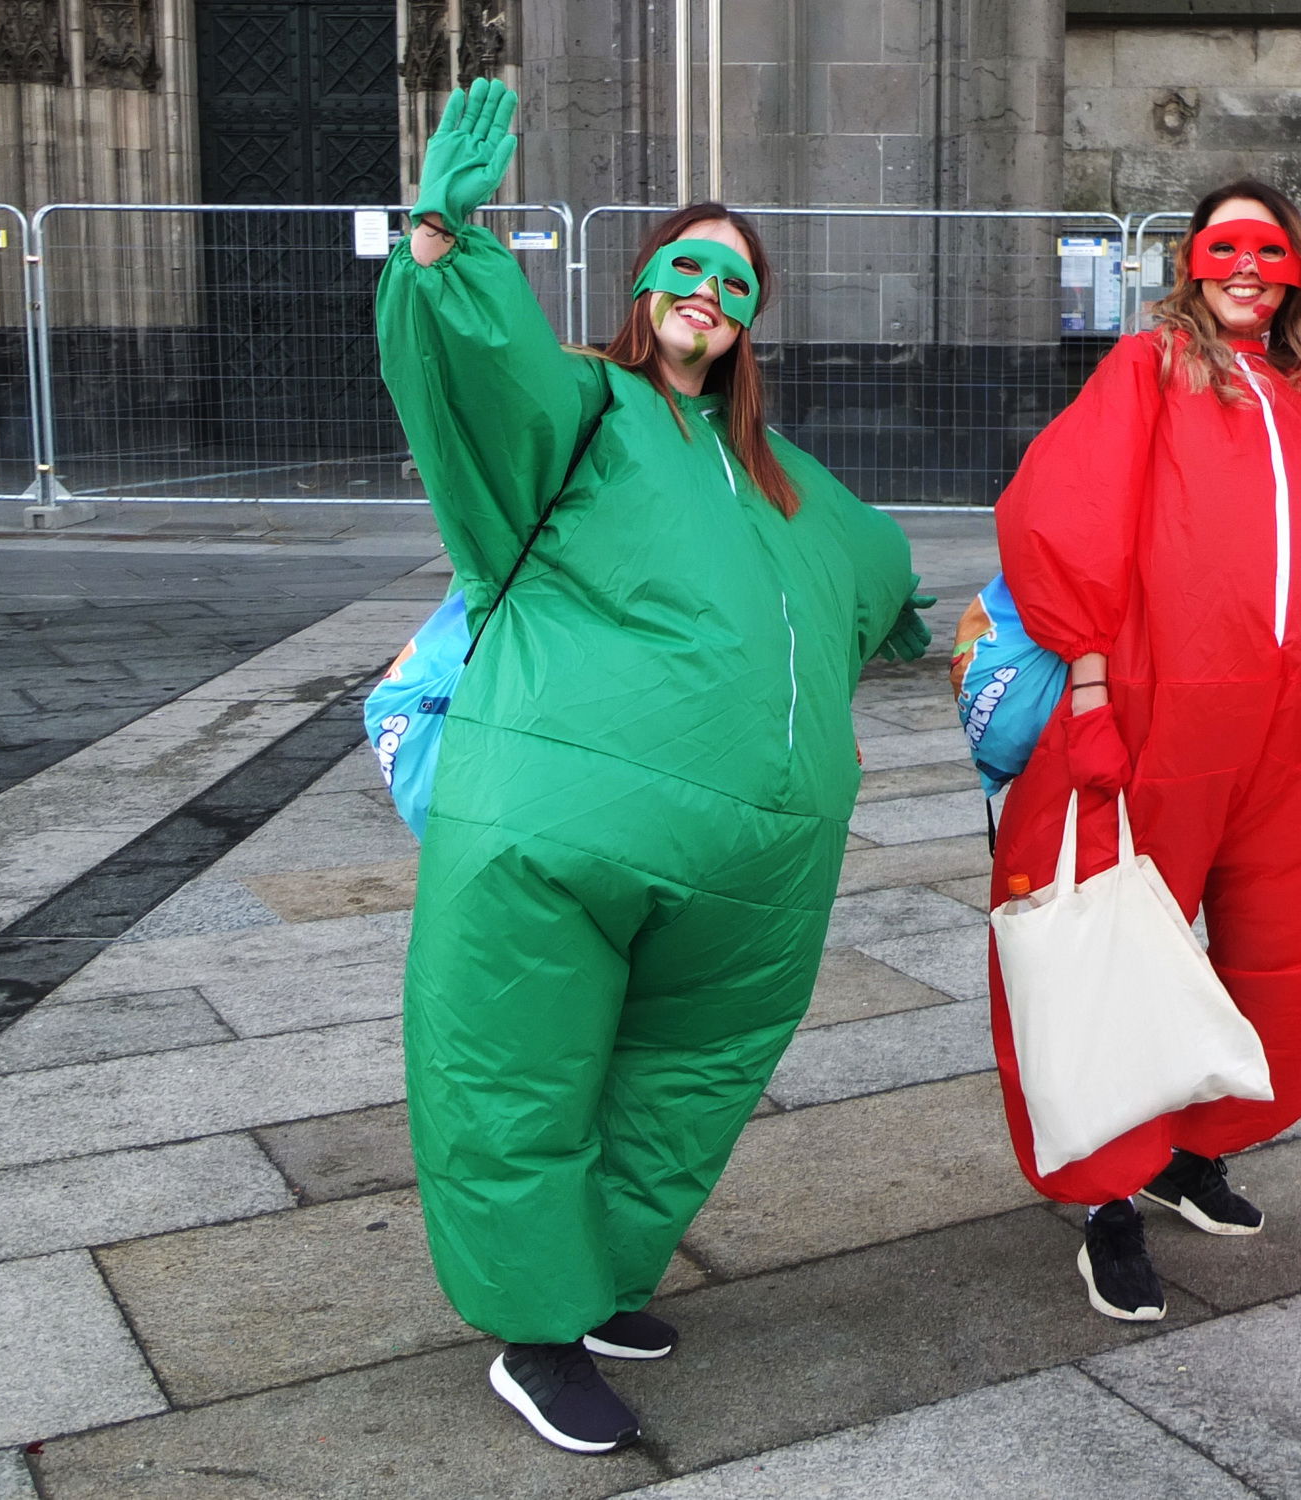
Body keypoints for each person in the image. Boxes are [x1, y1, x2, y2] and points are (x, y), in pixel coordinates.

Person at [376, 79, 927, 1454]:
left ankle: (598, 1276)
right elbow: (480, 385)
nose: (710, 287)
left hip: (751, 871)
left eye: (736, 276)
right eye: (689, 262)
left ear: (752, 314)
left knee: (685, 1081)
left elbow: (875, 568)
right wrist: (444, 246)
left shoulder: (783, 474)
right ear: (644, 284)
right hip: (561, 827)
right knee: (518, 1069)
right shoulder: (581, 408)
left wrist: (919, 616)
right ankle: (537, 1333)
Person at [989, 62, 1301, 1323]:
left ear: (1298, 268)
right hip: (1163, 714)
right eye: (1223, 250)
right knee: (1113, 955)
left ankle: (1192, 1145)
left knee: (1297, 961)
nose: (1246, 272)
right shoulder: (1151, 369)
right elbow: (1071, 515)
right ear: (1190, 265)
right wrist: (1091, 692)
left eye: (1270, 252)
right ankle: (1106, 1198)